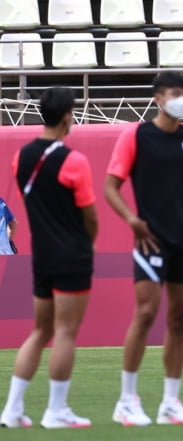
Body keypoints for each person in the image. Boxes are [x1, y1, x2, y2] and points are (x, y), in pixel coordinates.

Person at [104, 71, 183, 426]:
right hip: (150, 241)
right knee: (145, 314)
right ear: (157, 98)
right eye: (174, 93)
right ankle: (126, 400)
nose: (182, 98)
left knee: (179, 320)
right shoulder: (136, 135)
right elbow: (111, 187)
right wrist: (132, 221)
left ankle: (171, 402)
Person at [0, 87, 98, 429]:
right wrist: (89, 242)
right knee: (66, 331)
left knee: (40, 331)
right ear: (68, 115)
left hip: (42, 256)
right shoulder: (74, 161)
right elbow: (90, 216)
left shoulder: (20, 157)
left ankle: (12, 410)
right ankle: (56, 411)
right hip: (71, 255)